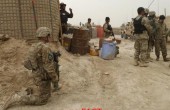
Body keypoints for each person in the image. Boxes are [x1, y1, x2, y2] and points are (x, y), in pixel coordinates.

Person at [2, 27, 61, 110]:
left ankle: (29, 91)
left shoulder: (35, 45)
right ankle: (17, 98)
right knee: (43, 100)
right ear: (45, 36)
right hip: (42, 75)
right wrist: (55, 79)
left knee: (47, 93)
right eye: (49, 35)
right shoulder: (45, 48)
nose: (50, 37)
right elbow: (49, 67)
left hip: (36, 73)